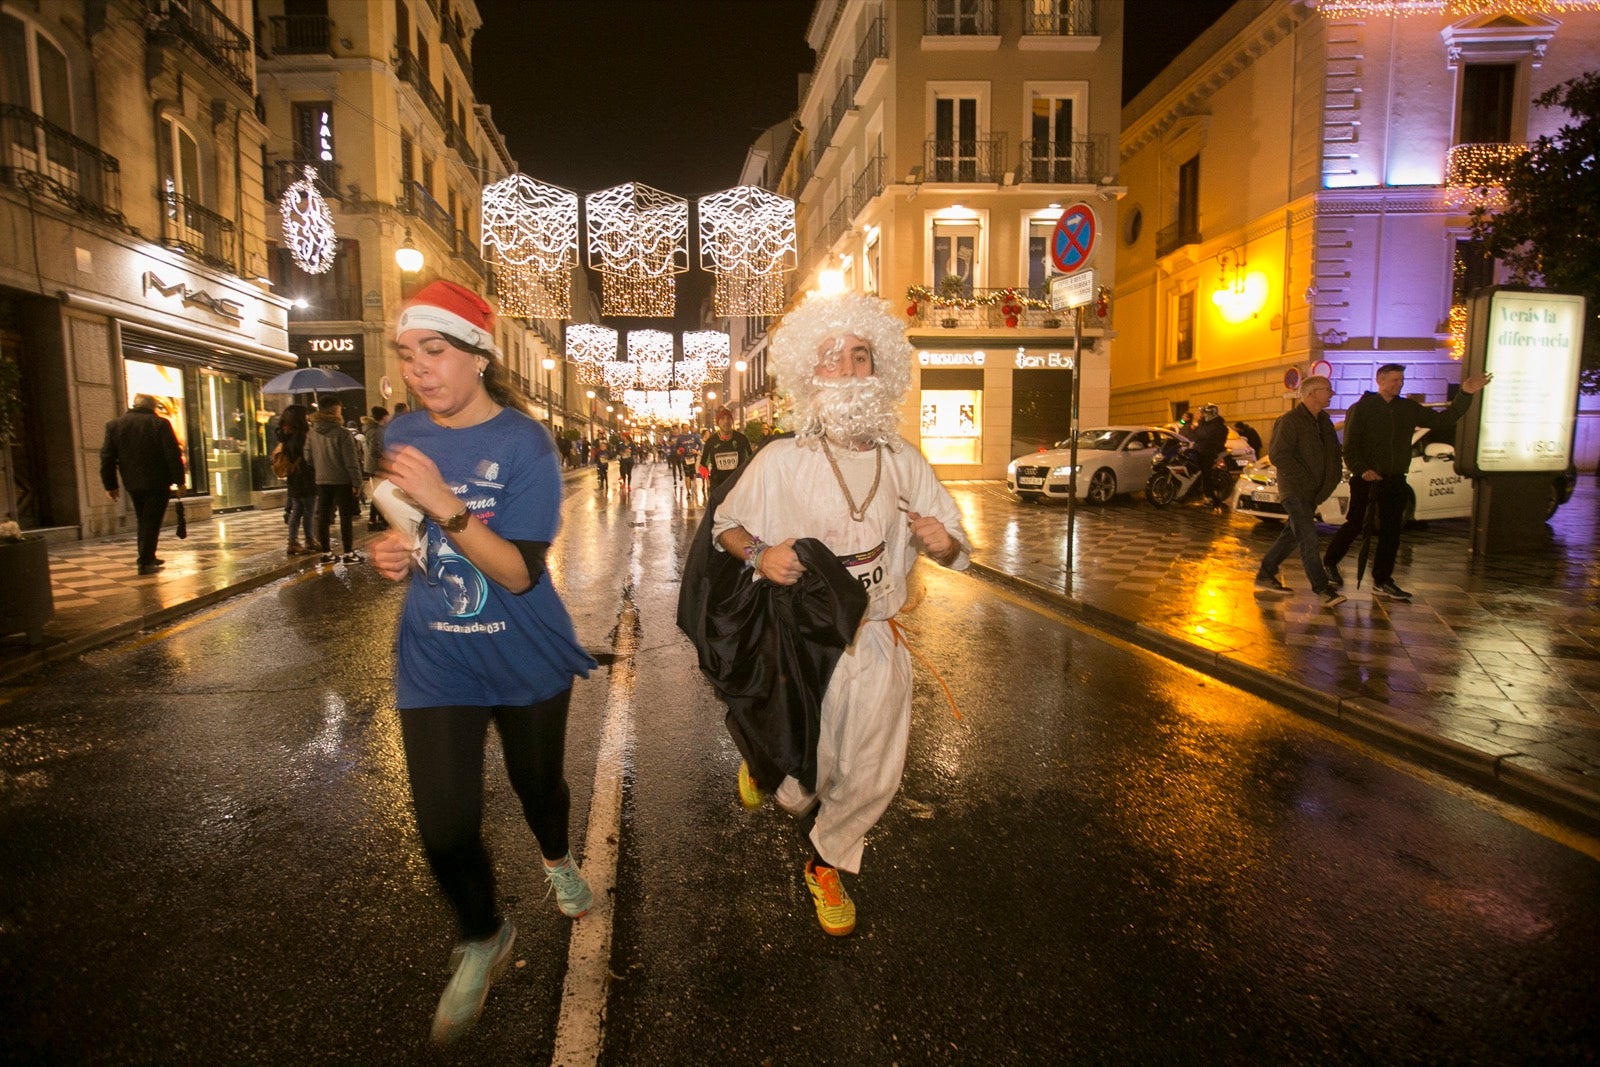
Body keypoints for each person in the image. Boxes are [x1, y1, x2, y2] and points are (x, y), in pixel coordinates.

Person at [370, 279, 597, 1045]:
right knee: (441, 826)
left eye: (434, 351)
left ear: (478, 355)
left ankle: (558, 856)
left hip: (525, 649)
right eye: (407, 354)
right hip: (438, 656)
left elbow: (518, 572)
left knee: (539, 787)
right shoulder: (401, 434)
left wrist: (442, 502)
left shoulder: (524, 442)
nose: (418, 369)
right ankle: (483, 932)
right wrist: (393, 552)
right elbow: (407, 531)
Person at [709, 291, 972, 938]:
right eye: (835, 359)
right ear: (808, 374)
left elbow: (954, 537)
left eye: (863, 356)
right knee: (809, 769)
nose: (853, 371)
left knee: (874, 769)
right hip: (797, 644)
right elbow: (724, 527)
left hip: (878, 641)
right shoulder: (780, 460)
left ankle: (825, 860)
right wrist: (759, 553)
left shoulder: (904, 459)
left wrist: (945, 542)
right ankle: (769, 756)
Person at [1322, 363, 1491, 600]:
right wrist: (1362, 470)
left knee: (1392, 530)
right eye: (1394, 380)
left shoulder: (1408, 408)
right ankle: (1330, 562)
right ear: (1380, 380)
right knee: (1356, 523)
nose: (1399, 384)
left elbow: (1445, 419)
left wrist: (1466, 393)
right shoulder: (1361, 408)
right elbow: (1350, 446)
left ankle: (1382, 580)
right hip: (1367, 479)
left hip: (1395, 478)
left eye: (1401, 380)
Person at [1253, 376, 1345, 608]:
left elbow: (1333, 454)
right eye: (1327, 389)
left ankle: (1265, 574)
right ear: (1312, 394)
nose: (1331, 393)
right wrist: (1306, 479)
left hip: (1314, 491)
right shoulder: (1290, 421)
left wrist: (1329, 481)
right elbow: (1279, 455)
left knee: (1291, 535)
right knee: (1308, 539)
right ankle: (1323, 590)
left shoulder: (1324, 421)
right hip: (1295, 490)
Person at [99, 394, 185, 575]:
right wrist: (179, 481)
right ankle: (145, 561)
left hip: (132, 482)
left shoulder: (115, 425)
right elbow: (172, 454)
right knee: (151, 520)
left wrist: (110, 485)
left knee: (143, 519)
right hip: (158, 481)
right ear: (153, 407)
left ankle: (148, 556)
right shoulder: (159, 424)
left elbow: (107, 458)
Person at [305, 397, 365, 564]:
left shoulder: (312, 433)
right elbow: (351, 461)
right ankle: (348, 553)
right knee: (345, 517)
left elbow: (308, 457)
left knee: (323, 516)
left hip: (322, 480)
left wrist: (321, 467)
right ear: (334, 412)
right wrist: (357, 483)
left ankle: (326, 553)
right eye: (339, 411)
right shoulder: (343, 433)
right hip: (343, 480)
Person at [275, 404, 317, 555]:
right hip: (305, 475)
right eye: (305, 415)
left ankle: (300, 540)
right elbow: (307, 457)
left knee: (298, 508)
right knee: (307, 509)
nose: (308, 417)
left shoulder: (285, 434)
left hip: (294, 476)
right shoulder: (301, 436)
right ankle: (302, 540)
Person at [699, 407, 752, 497]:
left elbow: (752, 460)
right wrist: (706, 475)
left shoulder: (741, 439)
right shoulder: (711, 442)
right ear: (718, 423)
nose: (726, 421)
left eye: (728, 418)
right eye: (722, 419)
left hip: (738, 486)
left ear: (732, 421)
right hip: (718, 487)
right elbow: (702, 465)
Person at [361, 406, 391, 529]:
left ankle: (378, 519)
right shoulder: (376, 431)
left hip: (373, 466)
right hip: (378, 466)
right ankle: (374, 520)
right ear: (384, 416)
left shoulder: (372, 429)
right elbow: (375, 450)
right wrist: (386, 457)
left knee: (379, 493)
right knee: (379, 494)